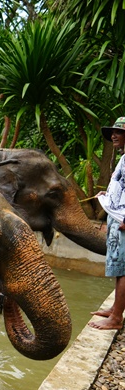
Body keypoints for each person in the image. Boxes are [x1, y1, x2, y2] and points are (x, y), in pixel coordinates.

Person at [91, 116, 125, 330]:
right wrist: (108, 194)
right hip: (117, 217)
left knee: (124, 270)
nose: (114, 135)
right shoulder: (123, 158)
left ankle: (116, 319)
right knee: (119, 267)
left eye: (119, 132)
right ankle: (115, 309)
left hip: (122, 221)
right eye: (113, 132)